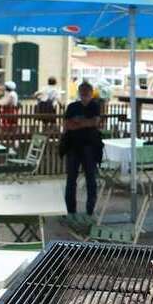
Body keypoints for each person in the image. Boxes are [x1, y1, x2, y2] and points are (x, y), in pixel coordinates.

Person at [62, 81, 103, 215]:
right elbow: (67, 125)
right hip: (73, 146)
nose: (84, 94)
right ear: (79, 92)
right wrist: (85, 123)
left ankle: (90, 210)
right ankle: (70, 210)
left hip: (89, 147)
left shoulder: (95, 106)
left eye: (87, 92)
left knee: (91, 179)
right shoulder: (72, 106)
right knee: (71, 180)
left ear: (91, 93)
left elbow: (94, 122)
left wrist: (77, 122)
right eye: (82, 91)